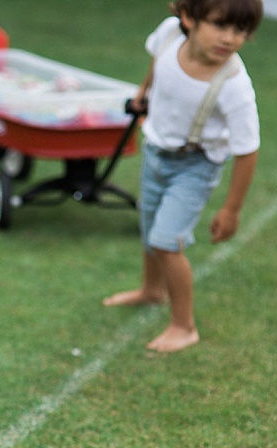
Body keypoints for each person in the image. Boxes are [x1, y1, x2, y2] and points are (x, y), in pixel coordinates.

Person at [104, 0, 262, 352]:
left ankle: (184, 326)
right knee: (149, 227)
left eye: (240, 31)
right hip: (156, 152)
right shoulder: (168, 35)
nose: (230, 38)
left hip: (195, 166)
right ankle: (151, 291)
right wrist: (143, 92)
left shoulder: (233, 85)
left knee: (165, 241)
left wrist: (232, 210)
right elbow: (157, 62)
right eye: (220, 25)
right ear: (189, 18)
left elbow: (247, 149)